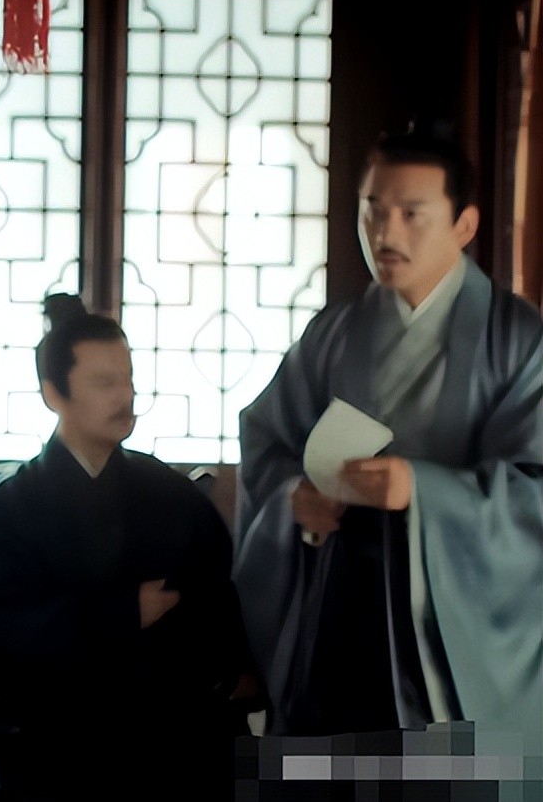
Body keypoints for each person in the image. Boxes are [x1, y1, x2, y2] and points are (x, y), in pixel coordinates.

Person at [232, 123, 543, 758]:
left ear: (464, 225)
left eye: (411, 213)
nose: (384, 232)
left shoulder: (517, 341)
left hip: (451, 624)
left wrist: (422, 491)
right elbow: (266, 438)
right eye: (372, 209)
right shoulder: (334, 334)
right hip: (336, 604)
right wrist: (295, 498)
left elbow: (534, 487)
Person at [0, 295, 257, 802]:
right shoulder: (8, 507)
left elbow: (215, 603)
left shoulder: (171, 495)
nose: (124, 396)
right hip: (44, 727)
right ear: (54, 393)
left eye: (128, 380)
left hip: (160, 724)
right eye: (104, 383)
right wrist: (121, 615)